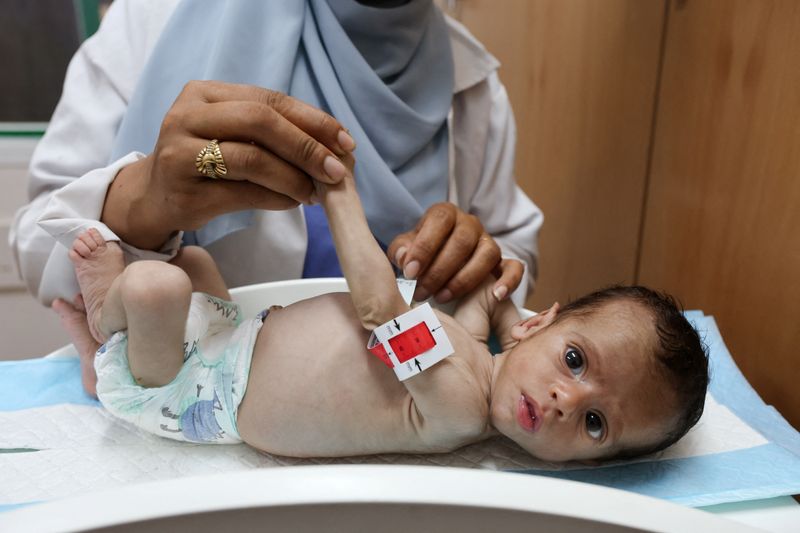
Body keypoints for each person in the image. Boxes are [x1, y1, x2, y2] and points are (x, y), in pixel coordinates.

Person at [55, 154, 708, 462]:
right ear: (540, 324)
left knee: (159, 291)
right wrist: (509, 314)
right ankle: (114, 343)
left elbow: (377, 306)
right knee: (194, 268)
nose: (567, 400)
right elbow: (482, 306)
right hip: (236, 336)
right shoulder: (474, 359)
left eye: (595, 423)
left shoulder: (454, 403)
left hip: (208, 391)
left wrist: (337, 190)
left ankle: (103, 324)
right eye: (574, 359)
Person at [11, 0, 542, 323]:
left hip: (390, 428)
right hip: (195, 412)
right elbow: (37, 243)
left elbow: (513, 246)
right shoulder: (158, 18)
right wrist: (145, 200)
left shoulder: (474, 87)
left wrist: (477, 271)